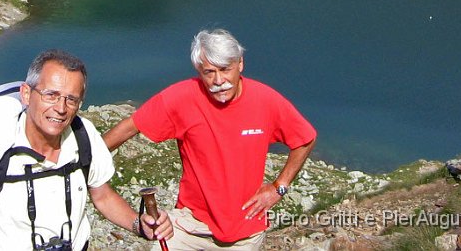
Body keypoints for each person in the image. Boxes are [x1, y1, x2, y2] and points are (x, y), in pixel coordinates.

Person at [103, 29, 317, 250]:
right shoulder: (182, 97)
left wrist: (278, 187)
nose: (219, 81)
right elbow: (131, 126)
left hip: (245, 232)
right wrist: (86, 160)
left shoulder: (266, 100)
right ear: (199, 70)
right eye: (209, 72)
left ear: (240, 64)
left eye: (225, 70)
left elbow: (305, 138)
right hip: (189, 225)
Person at [0, 49, 173, 251]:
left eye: (71, 99)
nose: (61, 109)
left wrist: (139, 225)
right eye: (50, 95)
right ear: (26, 93)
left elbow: (103, 196)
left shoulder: (83, 135)